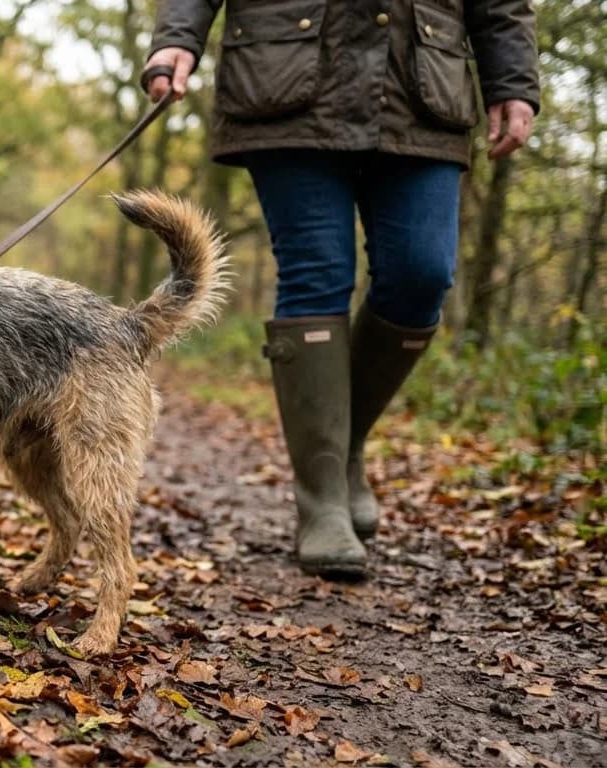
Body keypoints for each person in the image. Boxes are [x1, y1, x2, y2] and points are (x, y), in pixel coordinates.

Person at [142, 1, 539, 577]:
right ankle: (322, 498)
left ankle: (343, 442)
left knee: (422, 272)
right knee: (316, 274)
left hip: (420, 85)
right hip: (287, 77)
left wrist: (514, 82)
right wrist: (177, 37)